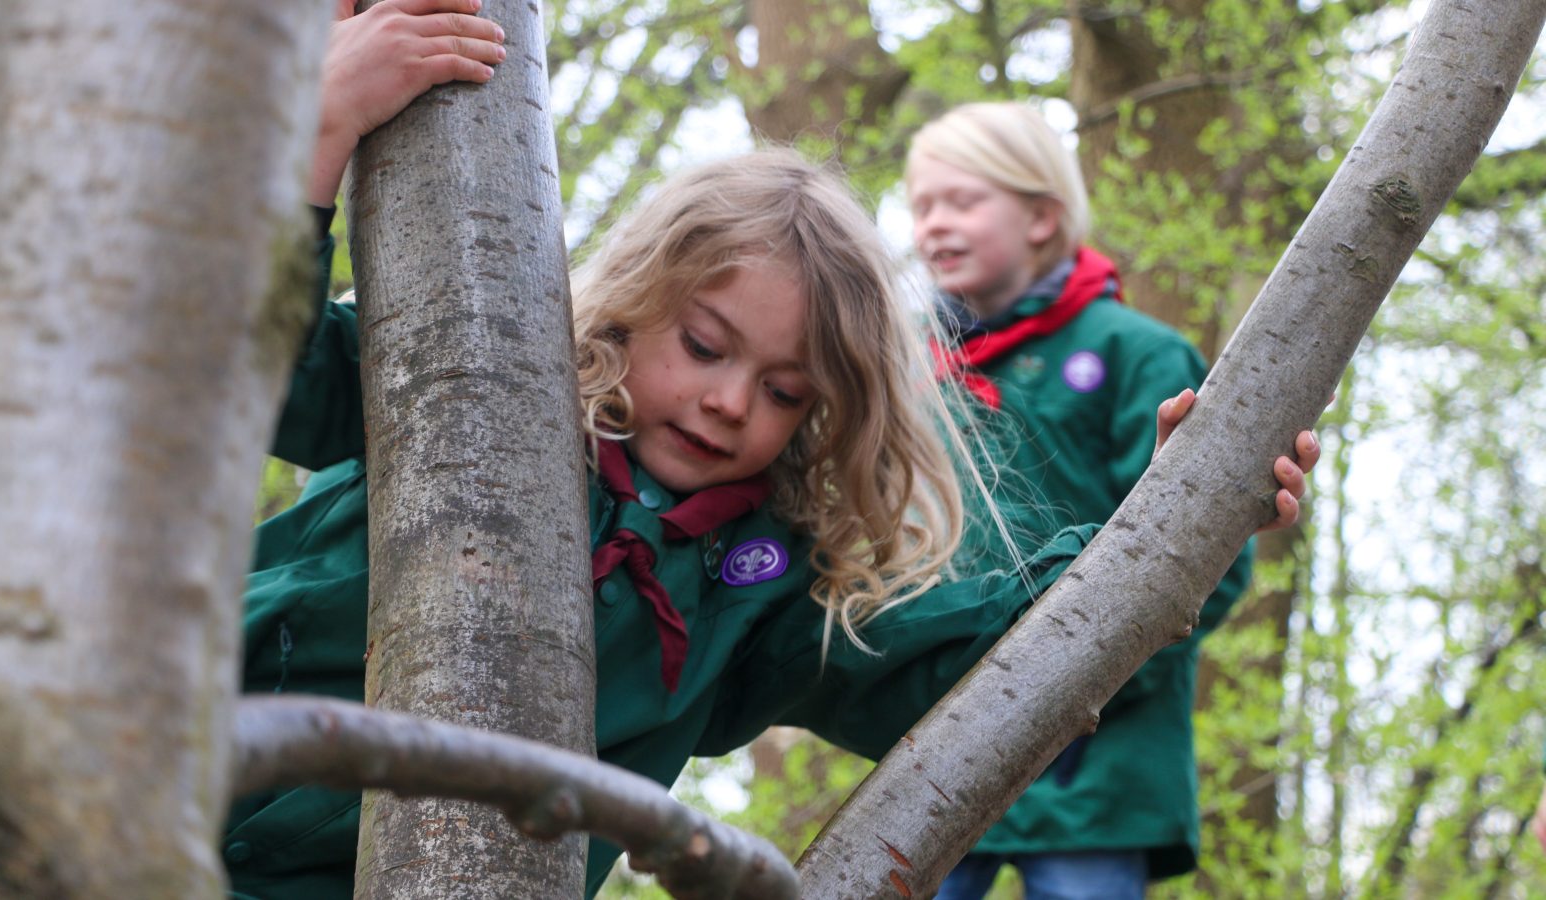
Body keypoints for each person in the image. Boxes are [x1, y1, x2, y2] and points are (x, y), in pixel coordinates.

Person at [222, 14, 1319, 895]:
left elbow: (970, 657)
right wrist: (321, 133)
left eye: (785, 391)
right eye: (704, 346)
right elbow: (245, 362)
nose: (728, 402)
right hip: (183, 795)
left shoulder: (756, 588)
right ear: (638, 306)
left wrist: (1178, 510)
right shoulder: (488, 392)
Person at [908, 100, 1295, 899]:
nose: (934, 224)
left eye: (962, 200)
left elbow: (1205, 565)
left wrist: (1085, 684)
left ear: (1043, 217)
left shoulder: (1136, 354)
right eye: (921, 205)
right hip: (933, 749)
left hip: (1098, 768)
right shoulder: (912, 380)